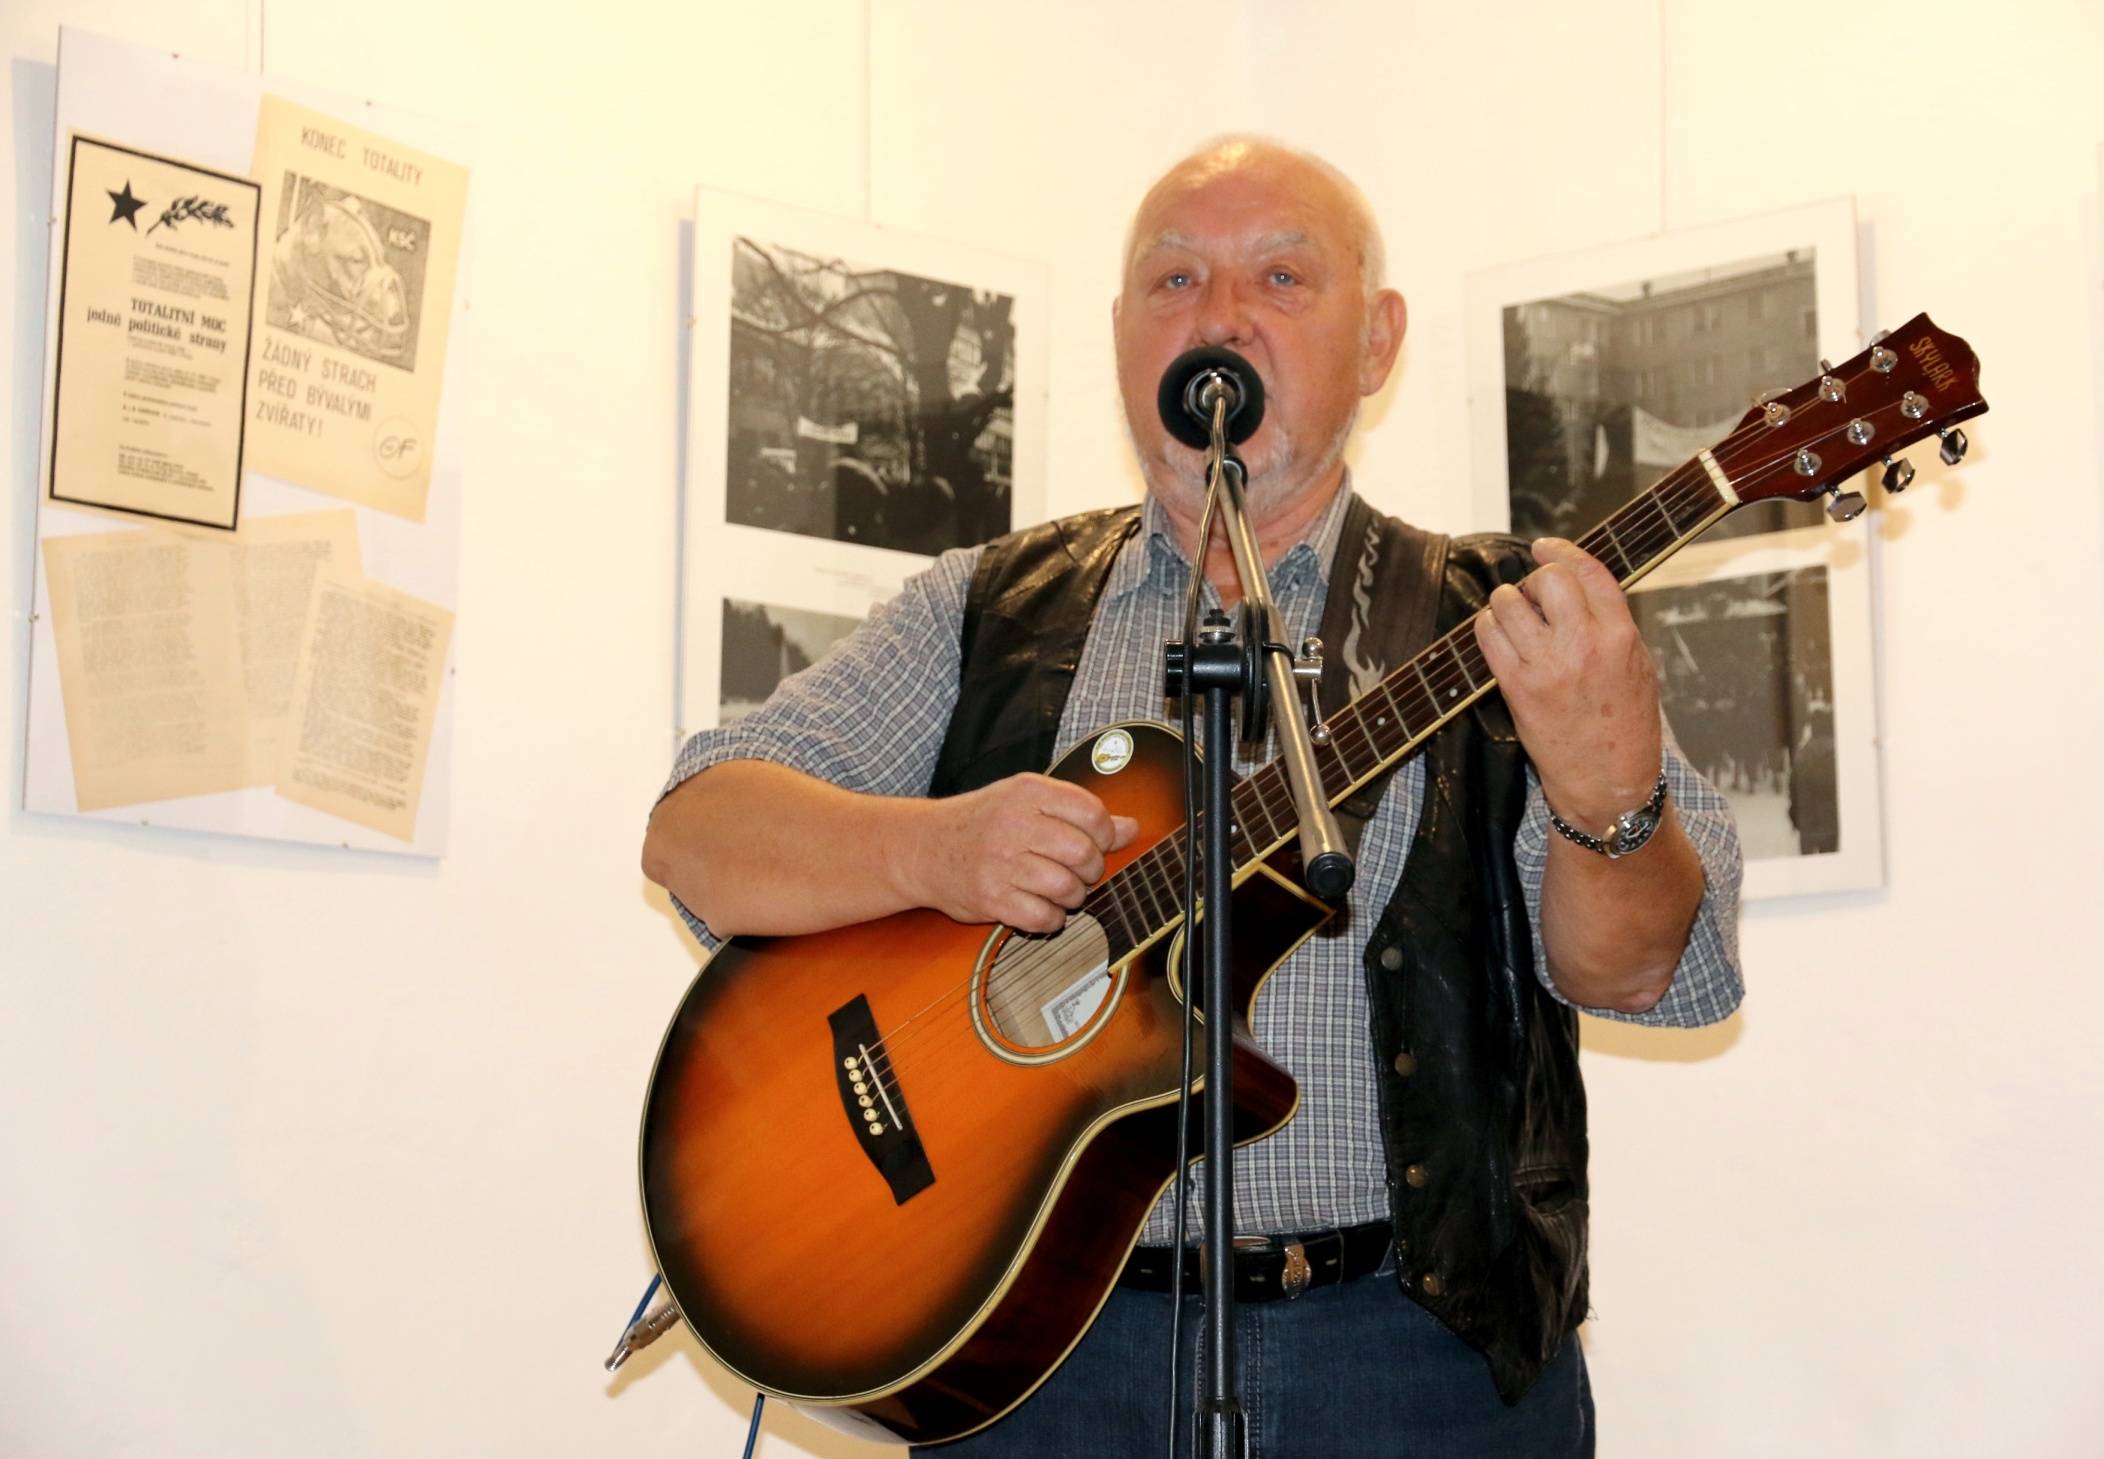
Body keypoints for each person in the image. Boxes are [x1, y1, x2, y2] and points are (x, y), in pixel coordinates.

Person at [643, 137, 1743, 1458]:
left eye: (1282, 277)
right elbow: (695, 833)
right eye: (1174, 281)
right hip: (1049, 1361)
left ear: (1379, 341)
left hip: (1415, 1360)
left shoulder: (1504, 623)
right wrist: (938, 850)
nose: (1220, 318)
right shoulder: (990, 606)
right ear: (1122, 337)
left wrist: (1608, 794)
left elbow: (1646, 974)